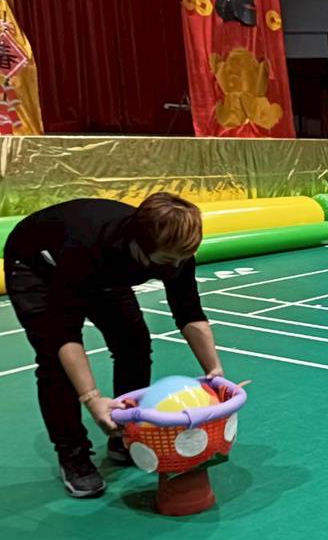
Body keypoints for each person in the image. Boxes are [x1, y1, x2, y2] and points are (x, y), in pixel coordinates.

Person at [3, 193, 223, 498]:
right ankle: (74, 456)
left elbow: (189, 311)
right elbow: (65, 335)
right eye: (167, 261)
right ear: (141, 246)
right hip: (38, 266)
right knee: (55, 362)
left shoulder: (175, 250)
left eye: (181, 260)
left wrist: (214, 370)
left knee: (134, 343)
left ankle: (124, 434)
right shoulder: (87, 248)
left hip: (104, 271)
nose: (175, 268)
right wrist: (92, 399)